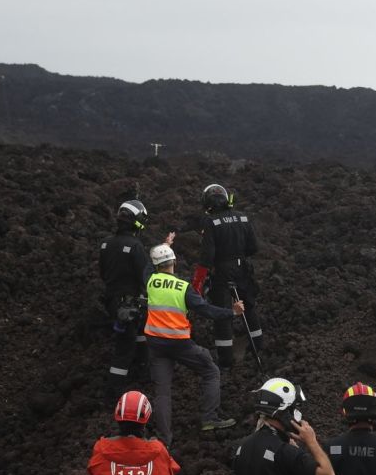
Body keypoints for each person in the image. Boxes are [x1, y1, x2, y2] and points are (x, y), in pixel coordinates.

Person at [145, 243, 244, 442]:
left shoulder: (150, 281)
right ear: (173, 261)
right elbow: (207, 311)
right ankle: (209, 418)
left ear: (156, 265)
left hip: (155, 343)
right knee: (211, 370)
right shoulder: (183, 288)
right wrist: (232, 312)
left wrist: (165, 243)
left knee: (162, 391)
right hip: (180, 344)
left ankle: (164, 438)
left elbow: (147, 268)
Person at [191, 183, 262, 369]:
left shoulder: (211, 223)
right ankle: (259, 347)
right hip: (242, 268)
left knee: (223, 314)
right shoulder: (243, 218)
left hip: (222, 273)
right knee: (249, 307)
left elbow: (206, 258)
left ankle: (226, 361)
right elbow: (253, 247)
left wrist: (197, 284)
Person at [99, 200, 154, 399]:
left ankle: (142, 370)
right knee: (124, 347)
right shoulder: (135, 246)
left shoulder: (105, 243)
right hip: (129, 302)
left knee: (139, 331)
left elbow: (103, 273)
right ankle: (113, 394)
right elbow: (146, 277)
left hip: (113, 300)